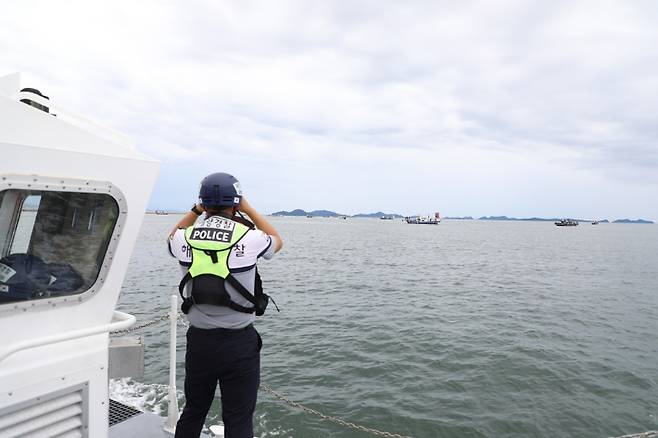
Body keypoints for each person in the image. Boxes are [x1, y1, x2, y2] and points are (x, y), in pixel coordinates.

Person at [167, 172, 283, 438]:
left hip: (199, 343)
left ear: (203, 204)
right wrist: (249, 209)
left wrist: (195, 211)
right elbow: (277, 241)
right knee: (238, 418)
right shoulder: (249, 237)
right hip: (239, 344)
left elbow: (172, 235)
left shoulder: (185, 238)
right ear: (236, 202)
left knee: (194, 410)